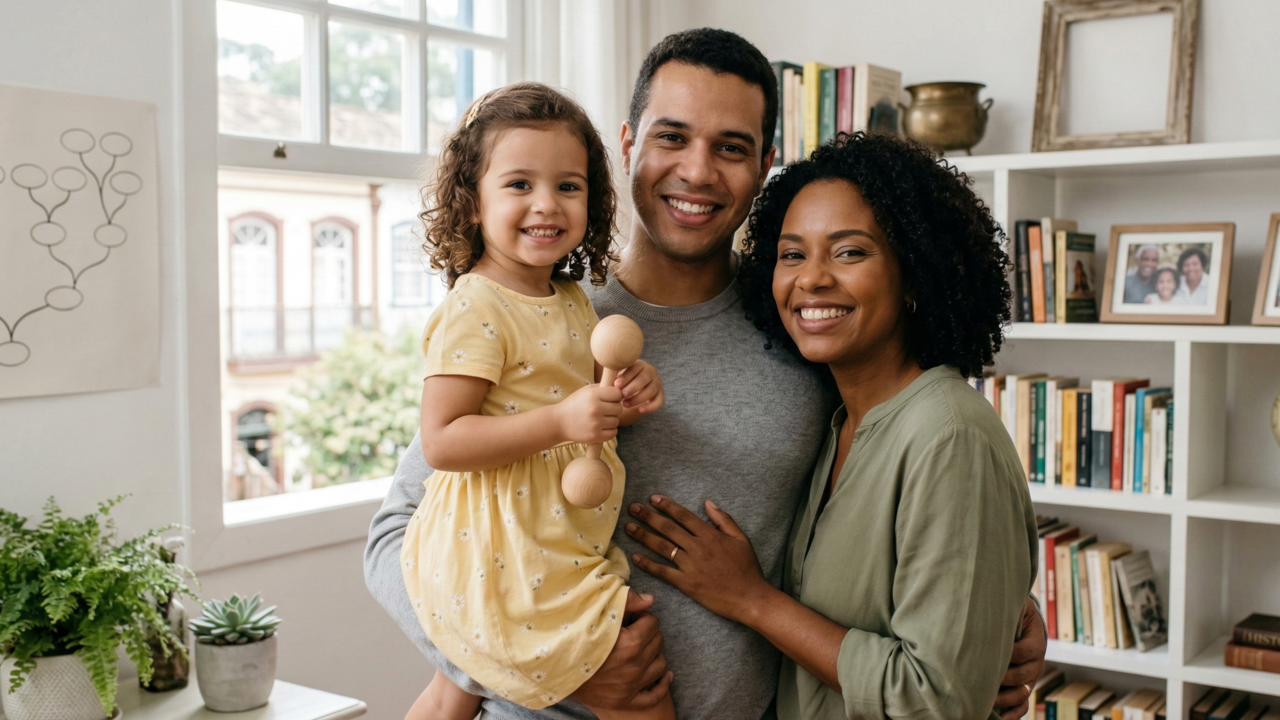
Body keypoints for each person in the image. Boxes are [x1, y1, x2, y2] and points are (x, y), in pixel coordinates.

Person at [366, 28, 1047, 720]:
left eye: (731, 147)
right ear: (628, 145)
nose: (697, 171)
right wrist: (548, 673)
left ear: (764, 164)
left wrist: (1002, 617)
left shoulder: (801, 327)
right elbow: (395, 539)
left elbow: (890, 513)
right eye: (671, 137)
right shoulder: (543, 317)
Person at [625, 132, 1037, 720]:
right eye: (792, 254)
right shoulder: (840, 417)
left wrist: (752, 599)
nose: (812, 279)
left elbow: (936, 700)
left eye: (849, 252)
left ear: (914, 274)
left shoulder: (949, 437)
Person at [400, 83, 671, 720]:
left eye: (568, 186)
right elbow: (442, 441)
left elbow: (585, 406)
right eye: (519, 184)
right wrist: (559, 421)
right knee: (640, 696)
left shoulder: (574, 300)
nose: (546, 204)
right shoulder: (476, 307)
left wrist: (625, 397)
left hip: (552, 531)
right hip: (499, 537)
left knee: (456, 688)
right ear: (472, 203)